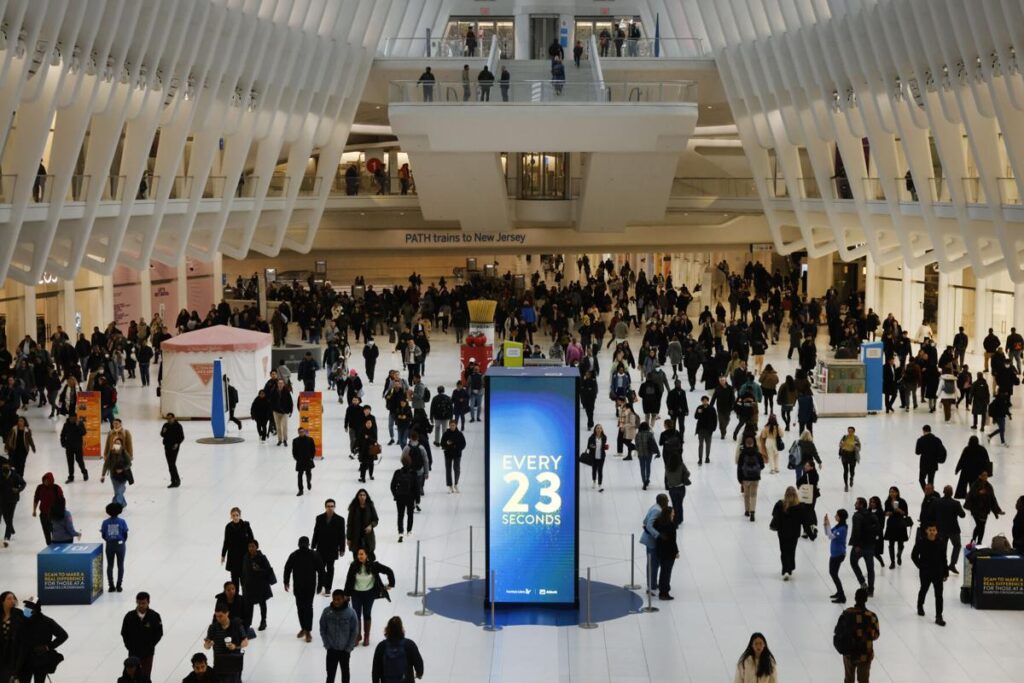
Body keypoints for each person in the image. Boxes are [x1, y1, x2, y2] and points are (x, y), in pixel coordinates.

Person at [344, 548, 395, 648]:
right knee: (356, 615)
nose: (360, 556)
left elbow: (389, 571)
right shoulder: (353, 566)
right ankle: (357, 636)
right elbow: (349, 580)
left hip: (369, 594)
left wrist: (391, 584)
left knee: (367, 614)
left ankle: (366, 636)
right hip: (356, 594)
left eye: (362, 554)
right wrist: (346, 594)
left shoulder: (374, 565)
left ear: (367, 555)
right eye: (358, 554)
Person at [284, 536, 324, 643]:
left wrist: (320, 585)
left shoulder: (312, 555)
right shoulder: (296, 555)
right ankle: (304, 628)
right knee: (302, 608)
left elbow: (321, 571)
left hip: (307, 587)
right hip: (302, 587)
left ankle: (307, 631)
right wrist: (286, 581)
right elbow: (287, 568)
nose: (303, 546)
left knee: (305, 608)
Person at [835, 587, 880, 683]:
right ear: (866, 599)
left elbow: (838, 630)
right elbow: (876, 635)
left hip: (849, 652)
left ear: (855, 598)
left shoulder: (846, 614)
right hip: (865, 654)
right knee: (864, 680)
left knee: (849, 679)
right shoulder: (871, 616)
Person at [770, 486, 815, 580]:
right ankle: (790, 568)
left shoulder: (780, 504)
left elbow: (774, 515)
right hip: (794, 534)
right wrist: (812, 535)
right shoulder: (800, 507)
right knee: (791, 550)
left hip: (782, 532)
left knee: (783, 550)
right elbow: (805, 523)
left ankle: (785, 569)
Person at [19, 599, 68, 683]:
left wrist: (48, 647)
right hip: (25, 659)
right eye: (26, 606)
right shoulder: (22, 621)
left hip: (41, 660)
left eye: (29, 606)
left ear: (36, 609)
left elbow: (63, 635)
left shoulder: (47, 622)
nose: (26, 609)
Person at [912, 523, 948, 626]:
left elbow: (943, 558)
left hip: (938, 572)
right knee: (924, 589)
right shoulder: (921, 542)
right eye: (930, 530)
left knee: (939, 595)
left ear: (936, 531)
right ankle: (920, 605)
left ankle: (939, 616)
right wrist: (920, 566)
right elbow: (914, 555)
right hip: (925, 572)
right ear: (926, 531)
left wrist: (945, 572)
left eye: (934, 530)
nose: (932, 532)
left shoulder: (941, 542)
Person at [320, 589, 359, 683]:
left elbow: (354, 631)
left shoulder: (351, 613)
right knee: (330, 675)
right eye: (334, 599)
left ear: (344, 599)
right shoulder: (327, 612)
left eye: (338, 599)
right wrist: (327, 645)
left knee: (345, 674)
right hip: (331, 650)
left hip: (345, 651)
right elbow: (323, 629)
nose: (336, 601)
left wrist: (348, 648)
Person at [120, 592, 163, 677]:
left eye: (143, 603)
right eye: (139, 603)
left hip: (148, 653)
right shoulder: (129, 616)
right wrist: (129, 646)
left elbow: (159, 633)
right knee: (131, 675)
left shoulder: (154, 616)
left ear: (148, 602)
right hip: (133, 652)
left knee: (146, 675)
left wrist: (151, 645)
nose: (141, 605)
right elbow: (124, 632)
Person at [203, 604, 248, 683]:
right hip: (219, 663)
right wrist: (208, 644)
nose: (218, 619)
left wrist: (235, 646)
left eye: (220, 616)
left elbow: (245, 642)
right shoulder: (213, 628)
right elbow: (206, 646)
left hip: (234, 661)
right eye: (216, 616)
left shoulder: (237, 625)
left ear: (227, 613)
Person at [371, 616, 424, 683]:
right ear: (401, 629)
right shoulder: (410, 645)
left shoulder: (381, 646)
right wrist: (419, 674)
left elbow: (375, 671)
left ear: (387, 629)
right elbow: (419, 663)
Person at [312, 499, 347, 596]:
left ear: (334, 507)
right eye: (328, 506)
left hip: (332, 548)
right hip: (321, 548)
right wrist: (313, 544)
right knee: (320, 568)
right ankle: (320, 585)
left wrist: (342, 548)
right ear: (325, 507)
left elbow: (342, 535)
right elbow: (316, 532)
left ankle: (328, 588)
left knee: (330, 568)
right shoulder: (319, 518)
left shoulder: (340, 519)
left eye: (332, 506)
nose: (330, 508)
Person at [241, 539, 274, 631]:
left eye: (253, 546)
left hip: (260, 586)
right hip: (249, 586)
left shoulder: (262, 558)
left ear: (257, 547)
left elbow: (269, 571)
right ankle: (248, 623)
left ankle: (263, 621)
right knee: (248, 606)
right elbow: (243, 571)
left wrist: (259, 570)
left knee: (262, 603)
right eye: (249, 546)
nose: (251, 548)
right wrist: (243, 584)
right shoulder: (245, 557)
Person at [639, 494, 669, 595]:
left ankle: (652, 583)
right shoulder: (658, 510)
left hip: (650, 541)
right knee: (653, 564)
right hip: (651, 542)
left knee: (653, 563)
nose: (668, 502)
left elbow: (644, 521)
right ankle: (651, 585)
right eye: (666, 500)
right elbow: (648, 525)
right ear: (662, 501)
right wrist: (658, 535)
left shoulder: (654, 507)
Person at [964, 472, 1004, 544]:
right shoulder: (974, 485)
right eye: (984, 475)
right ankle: (975, 540)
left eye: (986, 475)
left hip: (985, 510)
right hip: (975, 510)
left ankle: (978, 541)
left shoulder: (989, 486)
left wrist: (998, 510)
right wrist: (979, 493)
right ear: (980, 476)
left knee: (981, 526)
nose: (986, 477)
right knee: (980, 525)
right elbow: (970, 496)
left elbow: (993, 499)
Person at [849, 497, 877, 597]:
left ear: (861, 505)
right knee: (870, 568)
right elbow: (878, 528)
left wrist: (856, 545)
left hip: (860, 546)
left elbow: (856, 531)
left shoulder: (857, 516)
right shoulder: (872, 515)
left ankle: (862, 583)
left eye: (856, 503)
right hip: (870, 545)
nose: (855, 505)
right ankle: (871, 590)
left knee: (853, 561)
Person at [221, 507, 254, 590]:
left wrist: (253, 553)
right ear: (231, 516)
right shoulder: (228, 527)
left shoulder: (246, 525)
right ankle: (236, 599)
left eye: (237, 515)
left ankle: (245, 599)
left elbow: (252, 540)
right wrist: (223, 555)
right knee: (234, 580)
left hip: (244, 556)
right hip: (233, 557)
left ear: (240, 515)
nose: (235, 517)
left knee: (244, 580)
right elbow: (226, 542)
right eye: (233, 515)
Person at [936, 485, 966, 573]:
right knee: (957, 545)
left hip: (941, 529)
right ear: (952, 493)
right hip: (953, 529)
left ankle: (942, 565)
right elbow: (962, 515)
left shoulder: (937, 502)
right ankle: (952, 564)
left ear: (943, 492)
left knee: (943, 547)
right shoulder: (956, 503)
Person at [736, 434, 765, 522]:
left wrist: (740, 479)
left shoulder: (742, 454)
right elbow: (762, 466)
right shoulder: (758, 453)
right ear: (753, 443)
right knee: (753, 495)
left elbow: (739, 468)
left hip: (745, 477)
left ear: (745, 444)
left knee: (746, 495)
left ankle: (747, 510)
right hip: (755, 478)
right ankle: (753, 512)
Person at [390, 453, 418, 542]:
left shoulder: (397, 472)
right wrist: (417, 499)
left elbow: (392, 485)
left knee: (400, 515)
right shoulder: (413, 473)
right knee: (410, 514)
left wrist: (395, 495)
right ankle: (409, 530)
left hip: (400, 497)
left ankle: (400, 532)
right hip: (410, 497)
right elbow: (416, 487)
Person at [101, 502, 129, 591]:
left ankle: (111, 586)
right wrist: (122, 541)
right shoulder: (122, 521)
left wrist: (109, 540)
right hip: (120, 545)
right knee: (120, 565)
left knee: (110, 565)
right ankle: (119, 585)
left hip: (109, 545)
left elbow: (103, 535)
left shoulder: (105, 522)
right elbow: (125, 534)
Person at [824, 509, 849, 603]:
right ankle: (839, 592)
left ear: (840, 517)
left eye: (836, 515)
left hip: (838, 554)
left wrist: (828, 524)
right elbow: (828, 533)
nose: (835, 516)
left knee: (834, 574)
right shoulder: (839, 526)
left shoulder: (842, 529)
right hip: (834, 554)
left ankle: (842, 596)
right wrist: (826, 524)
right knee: (833, 573)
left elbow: (831, 536)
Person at [653, 506, 679, 599]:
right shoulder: (671, 525)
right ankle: (664, 593)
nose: (674, 514)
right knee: (667, 572)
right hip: (669, 553)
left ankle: (662, 590)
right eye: (673, 512)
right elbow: (672, 541)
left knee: (663, 571)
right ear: (669, 514)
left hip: (660, 551)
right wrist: (676, 552)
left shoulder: (658, 522)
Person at [101, 435, 133, 508]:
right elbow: (106, 464)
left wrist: (122, 469)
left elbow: (129, 463)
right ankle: (123, 503)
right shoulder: (111, 453)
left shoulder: (124, 452)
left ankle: (115, 507)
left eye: (118, 443)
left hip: (123, 476)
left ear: (121, 445)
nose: (117, 445)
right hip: (113, 476)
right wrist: (103, 475)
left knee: (118, 492)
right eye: (115, 443)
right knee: (117, 492)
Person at [0, 591, 25, 683]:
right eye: (9, 598)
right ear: (2, 601)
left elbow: (26, 630)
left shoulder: (19, 613)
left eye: (13, 598)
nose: (12, 600)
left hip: (15, 652)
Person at [31, 473, 63, 544]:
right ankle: (49, 546)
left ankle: (56, 546)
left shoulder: (56, 488)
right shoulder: (40, 487)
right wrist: (34, 510)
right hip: (43, 514)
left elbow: (61, 500)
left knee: (54, 532)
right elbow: (36, 499)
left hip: (53, 515)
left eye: (47, 480)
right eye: (44, 480)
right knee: (46, 531)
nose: (46, 482)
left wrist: (61, 511)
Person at [1, 459, 27, 547]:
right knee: (5, 516)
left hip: (12, 500)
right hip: (3, 500)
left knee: (9, 517)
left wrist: (18, 490)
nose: (4, 476)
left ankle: (7, 538)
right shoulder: (1, 475)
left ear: (8, 472)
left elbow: (23, 483)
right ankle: (11, 527)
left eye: (5, 475)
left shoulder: (15, 475)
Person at [882, 487, 910, 569]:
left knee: (900, 544)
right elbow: (885, 512)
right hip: (891, 524)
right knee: (891, 544)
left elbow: (906, 513)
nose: (892, 493)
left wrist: (899, 510)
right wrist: (887, 513)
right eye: (890, 492)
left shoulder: (902, 501)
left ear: (897, 493)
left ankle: (899, 555)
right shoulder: (887, 502)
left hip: (900, 524)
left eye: (893, 492)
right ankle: (892, 562)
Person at [347, 489, 379, 554]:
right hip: (356, 536)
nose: (362, 496)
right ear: (358, 496)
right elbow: (349, 524)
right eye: (360, 495)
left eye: (364, 495)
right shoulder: (353, 507)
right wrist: (348, 538)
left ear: (366, 496)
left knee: (369, 557)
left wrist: (371, 526)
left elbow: (375, 519)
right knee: (357, 557)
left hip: (368, 536)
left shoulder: (370, 506)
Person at [914, 425, 946, 490]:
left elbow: (917, 452)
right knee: (931, 481)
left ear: (923, 431)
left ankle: (927, 494)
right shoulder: (937, 440)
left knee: (921, 479)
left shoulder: (920, 440)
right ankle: (931, 495)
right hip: (933, 463)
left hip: (924, 464)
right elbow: (941, 450)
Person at [59, 414, 88, 483]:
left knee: (79, 461)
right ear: (69, 418)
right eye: (71, 418)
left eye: (74, 418)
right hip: (69, 447)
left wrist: (78, 426)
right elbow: (62, 435)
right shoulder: (66, 425)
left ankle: (84, 472)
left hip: (78, 447)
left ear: (76, 418)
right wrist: (63, 444)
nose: (72, 419)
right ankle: (71, 477)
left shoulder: (80, 424)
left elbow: (84, 433)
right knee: (70, 462)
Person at [439, 419, 465, 493]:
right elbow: (442, 443)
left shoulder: (460, 434)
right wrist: (447, 445)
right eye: (451, 425)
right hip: (448, 454)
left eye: (453, 425)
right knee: (448, 469)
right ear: (449, 425)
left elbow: (463, 444)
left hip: (457, 454)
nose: (452, 427)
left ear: (456, 425)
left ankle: (456, 484)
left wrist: (457, 447)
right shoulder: (446, 434)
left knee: (457, 469)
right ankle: (450, 486)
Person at [160, 413, 185, 488]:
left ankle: (176, 480)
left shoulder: (178, 426)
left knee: (172, 463)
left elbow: (181, 437)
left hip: (174, 447)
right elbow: (162, 434)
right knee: (170, 464)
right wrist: (163, 431)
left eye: (170, 418)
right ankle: (173, 480)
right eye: (167, 418)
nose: (169, 420)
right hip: (167, 446)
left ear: (174, 418)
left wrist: (177, 443)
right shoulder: (165, 425)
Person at [634, 421, 660, 490]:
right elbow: (653, 443)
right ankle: (647, 479)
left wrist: (638, 450)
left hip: (641, 453)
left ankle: (644, 481)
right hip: (649, 453)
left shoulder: (637, 434)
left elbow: (636, 444)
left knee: (642, 467)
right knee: (648, 466)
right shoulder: (650, 434)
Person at [293, 426, 316, 496]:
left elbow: (313, 449)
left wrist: (311, 457)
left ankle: (308, 482)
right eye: (300, 432)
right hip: (300, 461)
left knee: (308, 473)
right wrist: (296, 458)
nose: (301, 433)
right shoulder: (295, 440)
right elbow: (294, 451)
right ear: (298, 433)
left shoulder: (310, 439)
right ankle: (300, 490)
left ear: (304, 432)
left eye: (302, 432)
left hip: (308, 459)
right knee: (299, 475)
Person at [586, 424, 610, 492]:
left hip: (601, 456)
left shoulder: (604, 437)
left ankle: (600, 484)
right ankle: (594, 481)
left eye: (600, 428)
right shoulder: (591, 437)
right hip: (593, 456)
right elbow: (588, 446)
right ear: (595, 430)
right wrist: (592, 447)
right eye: (597, 428)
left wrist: (606, 447)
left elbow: (603, 446)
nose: (599, 429)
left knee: (600, 470)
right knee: (594, 469)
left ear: (602, 430)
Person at [694, 395, 716, 465]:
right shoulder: (699, 408)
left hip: (709, 430)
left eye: (706, 400)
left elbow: (715, 419)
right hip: (701, 429)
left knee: (708, 444)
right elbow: (696, 417)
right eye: (703, 401)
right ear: (702, 401)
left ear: (708, 401)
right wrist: (698, 412)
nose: (705, 402)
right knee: (700, 444)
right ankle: (700, 459)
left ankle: (707, 457)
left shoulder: (712, 409)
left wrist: (713, 428)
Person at [837, 426, 861, 492]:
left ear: (854, 432)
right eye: (848, 431)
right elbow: (840, 444)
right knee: (845, 470)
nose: (849, 432)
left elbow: (859, 448)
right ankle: (846, 485)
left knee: (852, 470)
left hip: (852, 455)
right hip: (845, 455)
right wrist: (841, 445)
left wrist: (855, 446)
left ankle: (851, 478)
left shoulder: (856, 439)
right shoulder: (845, 437)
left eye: (851, 431)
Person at [272, 379, 294, 447]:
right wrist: (272, 409)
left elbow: (290, 402)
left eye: (282, 383)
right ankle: (279, 440)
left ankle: (285, 440)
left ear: (284, 384)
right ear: (277, 384)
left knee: (284, 426)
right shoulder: (274, 391)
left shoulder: (287, 392)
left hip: (285, 412)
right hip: (276, 412)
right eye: (279, 383)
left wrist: (290, 411)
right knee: (278, 427)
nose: (280, 384)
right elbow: (271, 401)